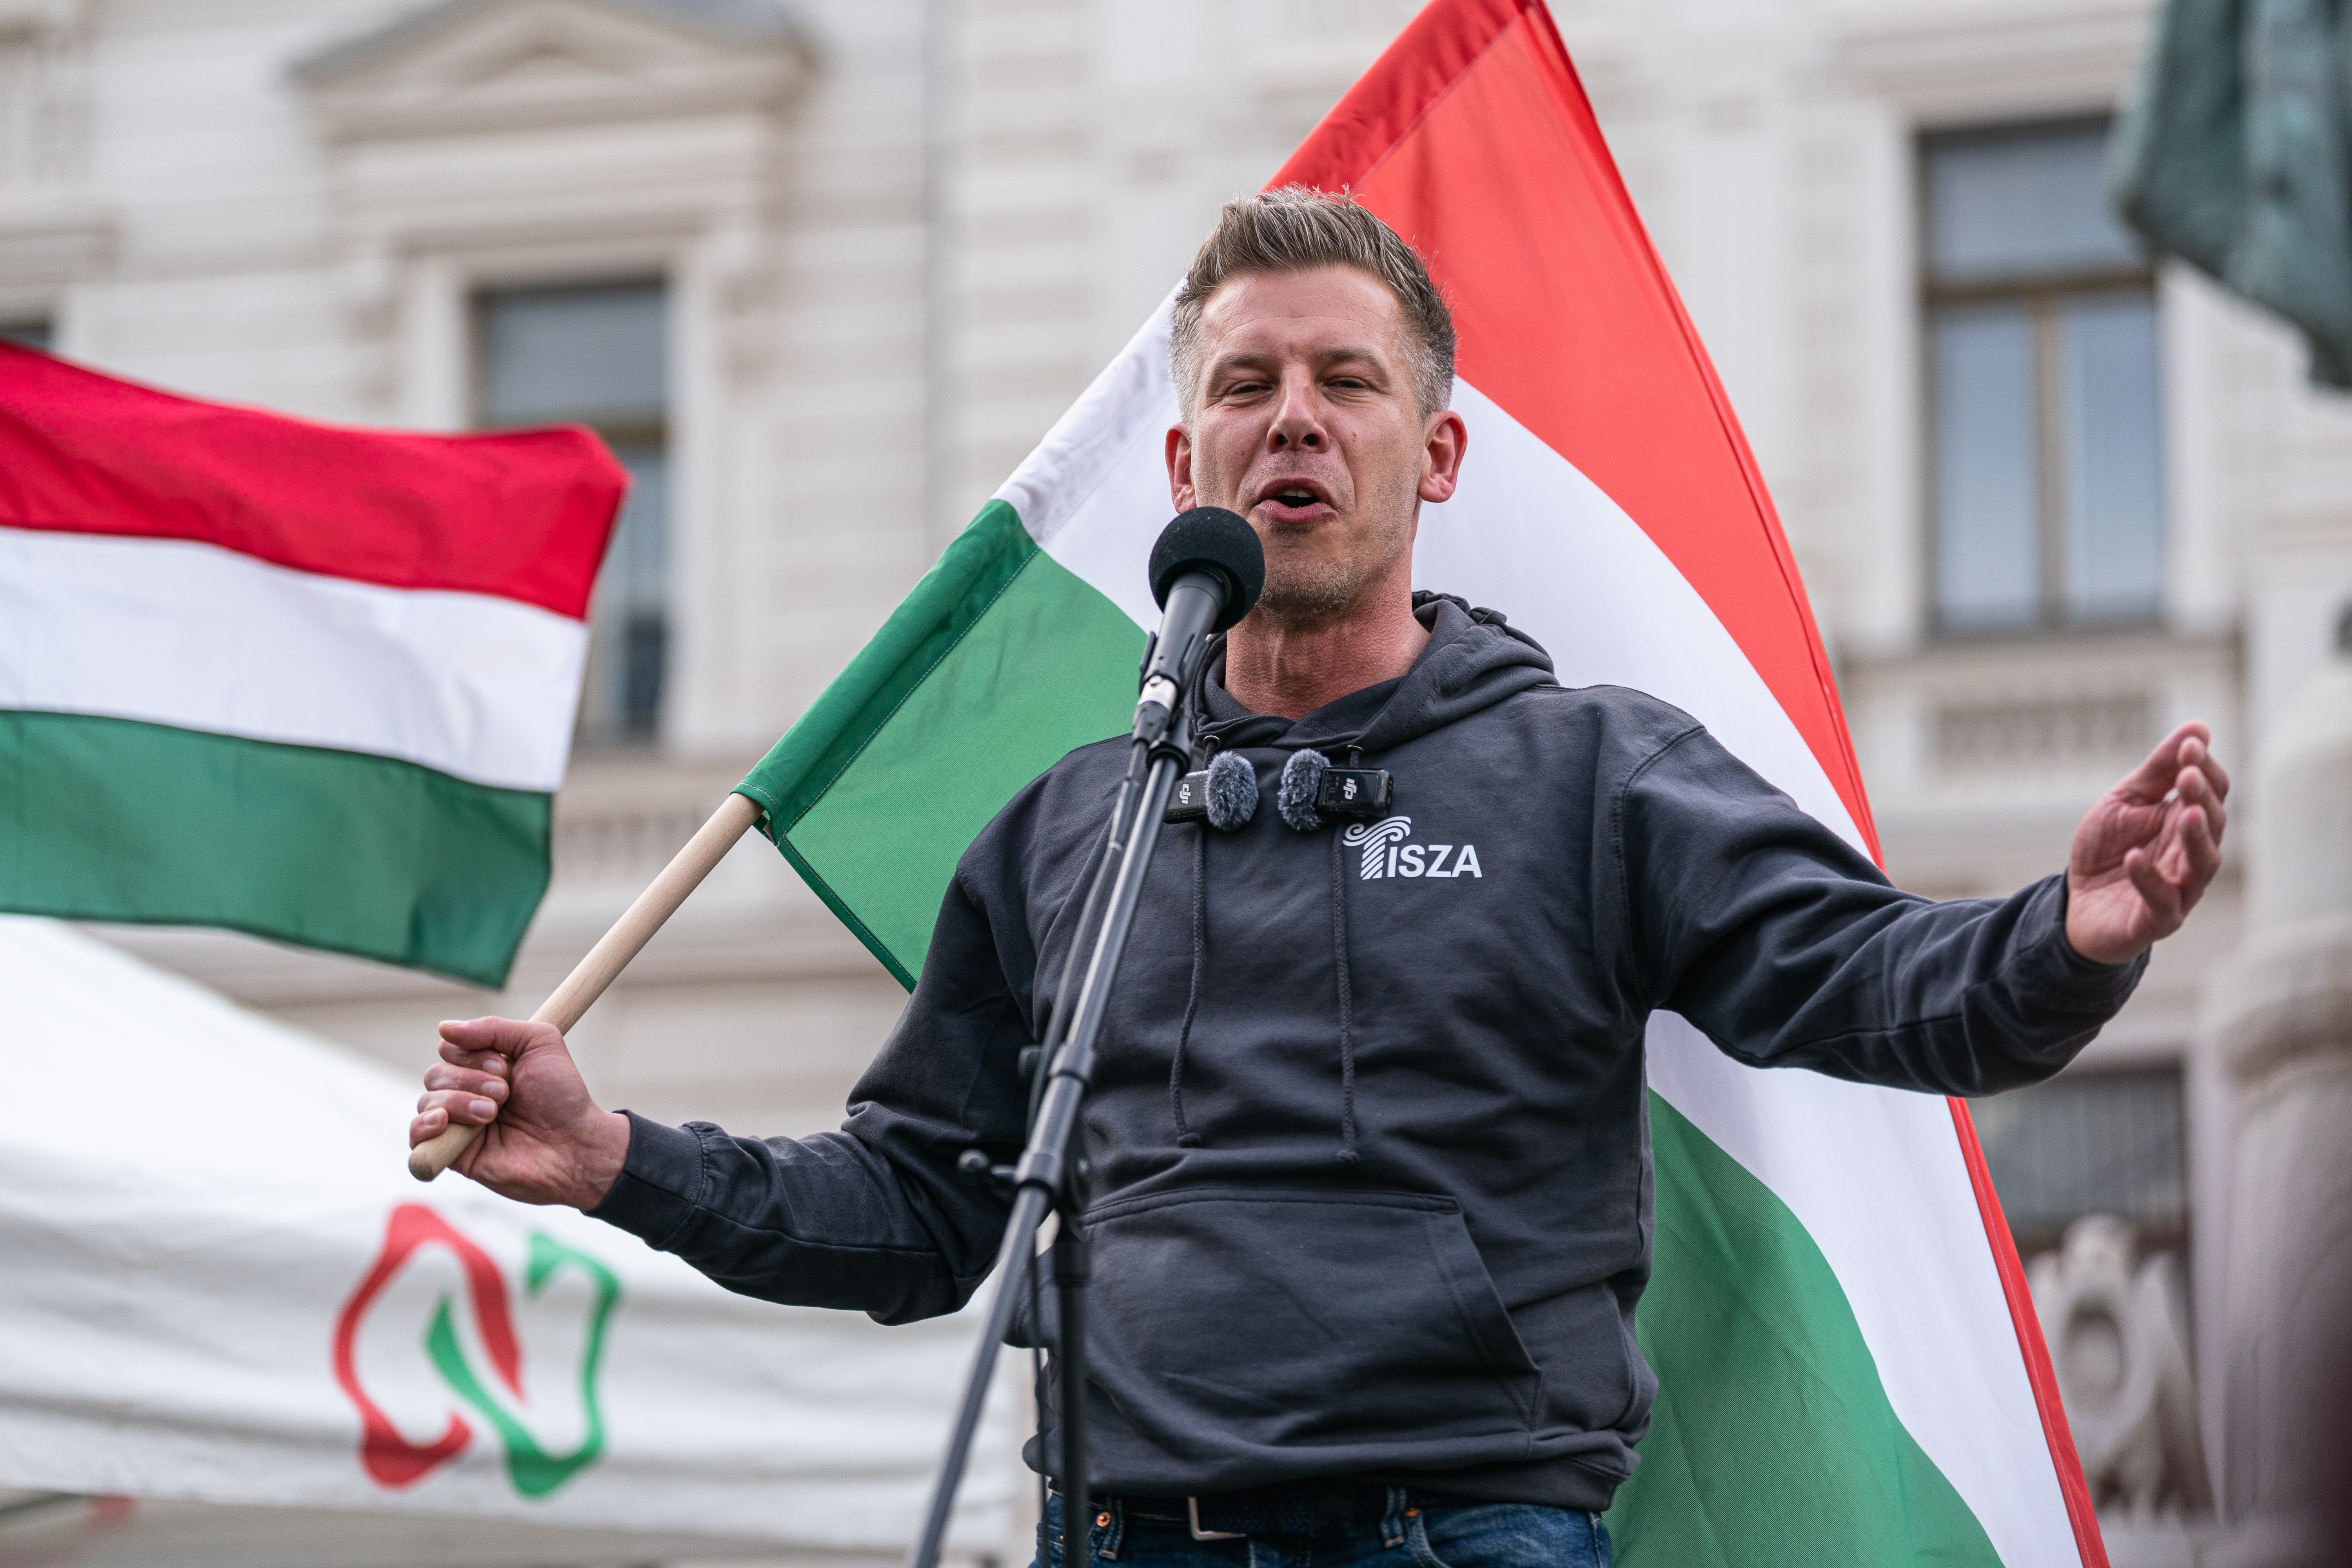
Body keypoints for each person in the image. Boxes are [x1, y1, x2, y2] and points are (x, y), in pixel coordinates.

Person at [410, 190, 2228, 1568]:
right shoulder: (1067, 830)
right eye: (1247, 386)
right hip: (1117, 1526)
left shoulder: (1590, 771)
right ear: (1185, 459)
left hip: (1458, 1531)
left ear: (1432, 454)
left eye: (1345, 382)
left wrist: (2069, 932)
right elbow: (917, 1214)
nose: (1294, 419)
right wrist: (614, 1160)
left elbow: (1874, 983)